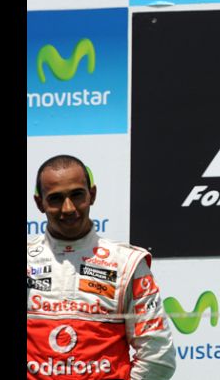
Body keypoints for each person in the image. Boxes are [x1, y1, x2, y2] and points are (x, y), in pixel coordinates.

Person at [27, 155, 176, 380]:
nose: (68, 208)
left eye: (77, 195)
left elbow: (158, 357)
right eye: (55, 199)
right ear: (40, 203)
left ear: (92, 195)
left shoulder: (127, 263)